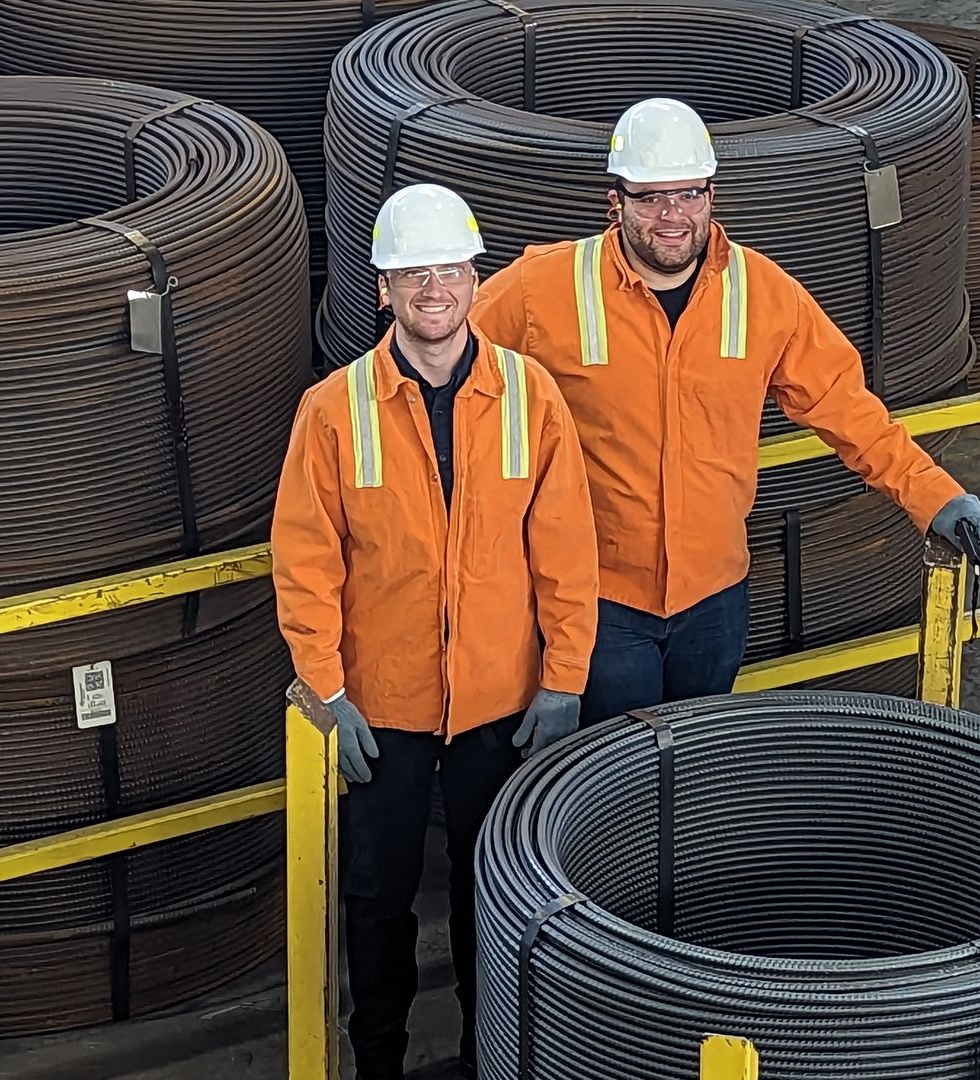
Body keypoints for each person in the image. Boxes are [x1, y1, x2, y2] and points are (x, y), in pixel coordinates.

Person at [469, 96, 980, 726]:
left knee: (693, 761)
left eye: (689, 194)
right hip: (598, 599)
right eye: (650, 198)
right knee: (613, 772)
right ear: (616, 202)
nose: (672, 217)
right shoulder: (543, 288)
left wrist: (934, 495)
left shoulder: (760, 292)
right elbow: (442, 356)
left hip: (713, 600)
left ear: (712, 195)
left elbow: (846, 406)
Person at [271, 183, 599, 1080]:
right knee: (376, 901)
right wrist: (327, 691)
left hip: (502, 700)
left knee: (490, 894)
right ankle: (377, 1062)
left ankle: (490, 1056)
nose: (433, 290)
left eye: (448, 269)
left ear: (473, 277)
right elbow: (306, 565)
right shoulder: (335, 411)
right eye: (412, 273)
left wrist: (565, 679)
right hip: (382, 708)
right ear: (382, 288)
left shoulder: (530, 396)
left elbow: (566, 550)